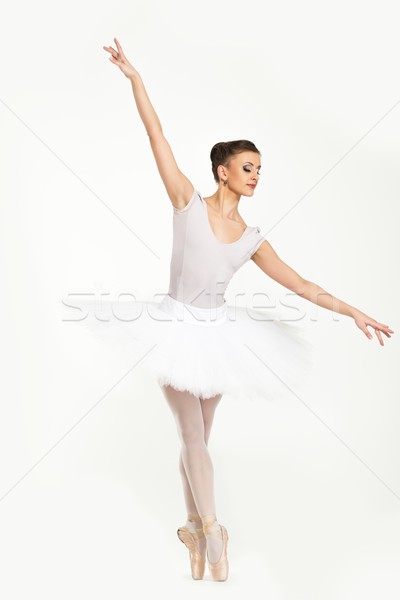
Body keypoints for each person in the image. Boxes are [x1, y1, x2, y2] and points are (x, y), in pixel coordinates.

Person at [98, 38, 394, 582]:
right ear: (222, 172)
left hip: (219, 338)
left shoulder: (252, 237)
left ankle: (191, 525)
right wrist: (136, 79)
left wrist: (355, 312)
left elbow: (301, 284)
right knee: (191, 437)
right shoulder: (187, 201)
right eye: (247, 167)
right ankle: (214, 529)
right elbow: (156, 137)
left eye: (260, 168)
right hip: (174, 329)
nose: (256, 174)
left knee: (199, 443)